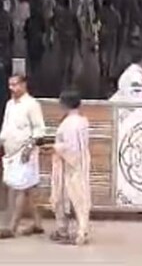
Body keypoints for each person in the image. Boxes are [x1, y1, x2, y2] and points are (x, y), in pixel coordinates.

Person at [0, 74, 46, 239]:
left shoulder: (32, 105)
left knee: (20, 188)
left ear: (23, 85)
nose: (12, 88)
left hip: (24, 152)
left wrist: (28, 149)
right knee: (28, 188)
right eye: (10, 85)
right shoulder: (9, 104)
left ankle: (12, 228)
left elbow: (39, 130)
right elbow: (5, 128)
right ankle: (37, 224)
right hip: (10, 152)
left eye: (15, 84)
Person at [48, 90, 91, 245]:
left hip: (69, 164)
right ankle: (71, 230)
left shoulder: (69, 124)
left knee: (73, 197)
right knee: (79, 198)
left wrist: (54, 147)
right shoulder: (82, 121)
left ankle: (78, 232)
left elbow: (70, 147)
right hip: (80, 162)